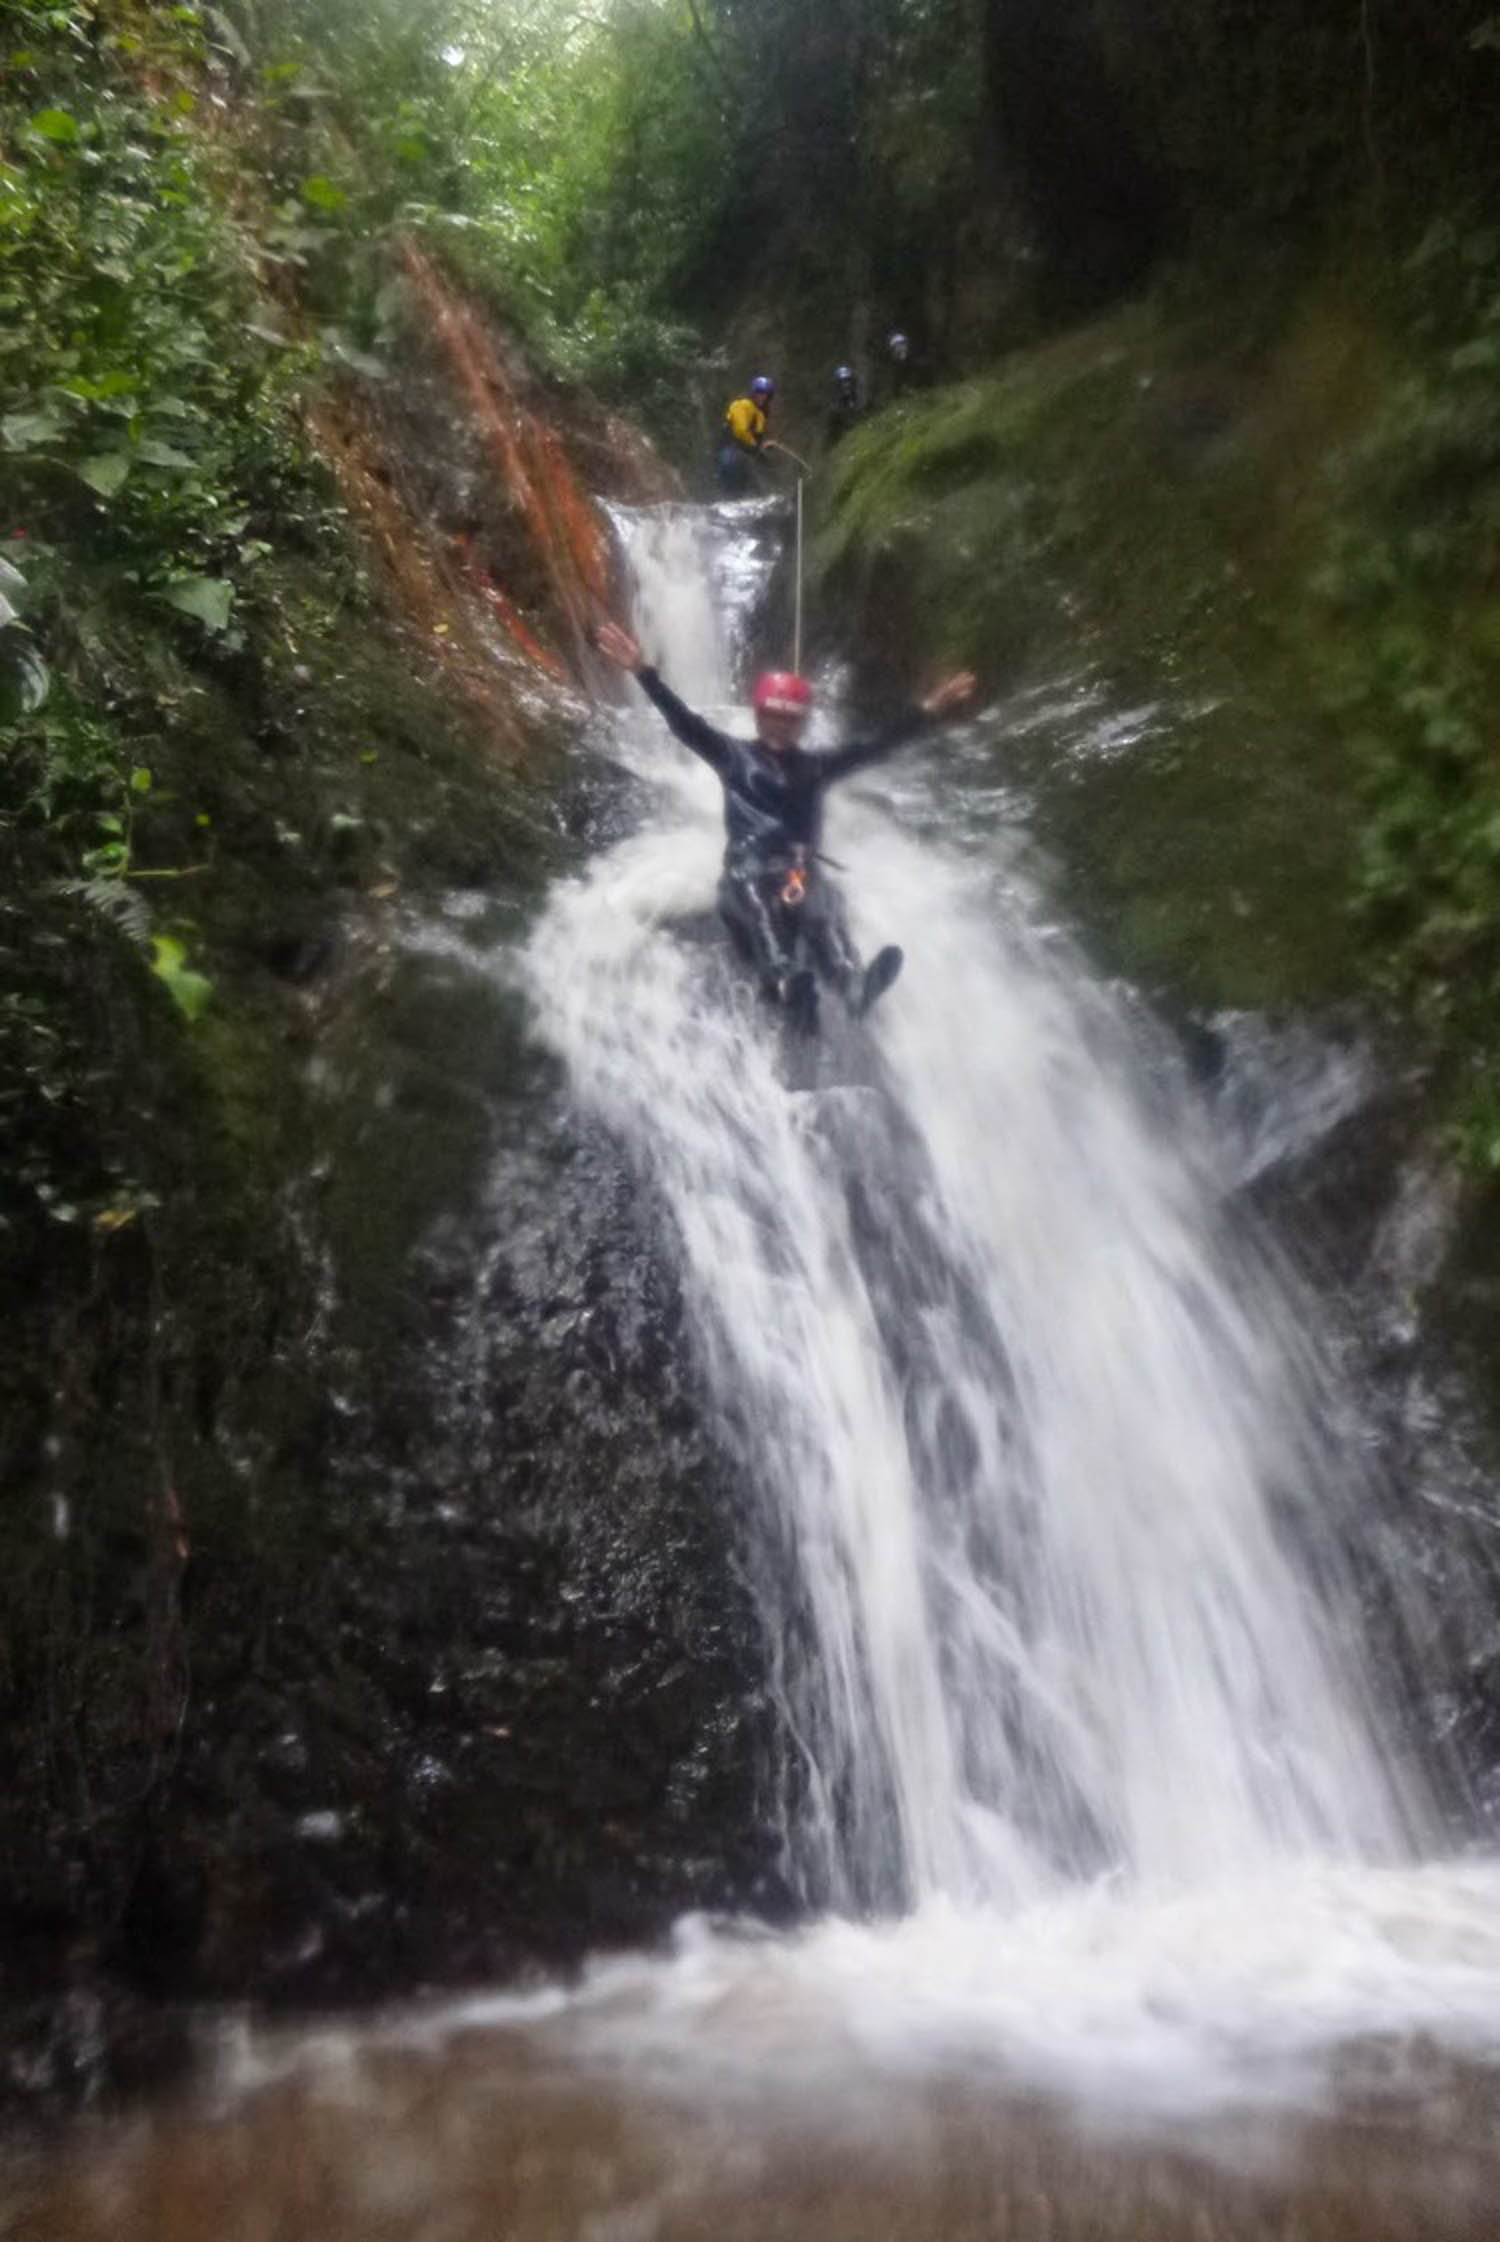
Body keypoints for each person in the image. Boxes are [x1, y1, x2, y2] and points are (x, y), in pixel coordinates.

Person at [594, 618, 976, 1027]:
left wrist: (931, 710)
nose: (780, 724)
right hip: (748, 870)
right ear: (759, 716)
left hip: (798, 872)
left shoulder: (816, 767)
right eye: (773, 716)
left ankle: (851, 984)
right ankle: (781, 972)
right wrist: (642, 672)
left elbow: (876, 746)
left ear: (802, 723)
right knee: (756, 895)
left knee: (821, 905)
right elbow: (684, 724)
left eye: (790, 718)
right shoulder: (732, 755)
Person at [718, 374, 776, 495]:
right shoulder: (743, 405)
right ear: (753, 393)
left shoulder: (759, 413)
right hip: (733, 452)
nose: (762, 396)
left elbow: (756, 434)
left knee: (744, 486)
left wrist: (762, 447)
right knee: (740, 485)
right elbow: (740, 431)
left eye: (765, 393)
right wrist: (756, 447)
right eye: (759, 392)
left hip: (743, 453)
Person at [825, 364, 862, 449]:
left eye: (847, 380)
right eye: (842, 382)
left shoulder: (854, 392)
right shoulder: (837, 398)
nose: (845, 384)